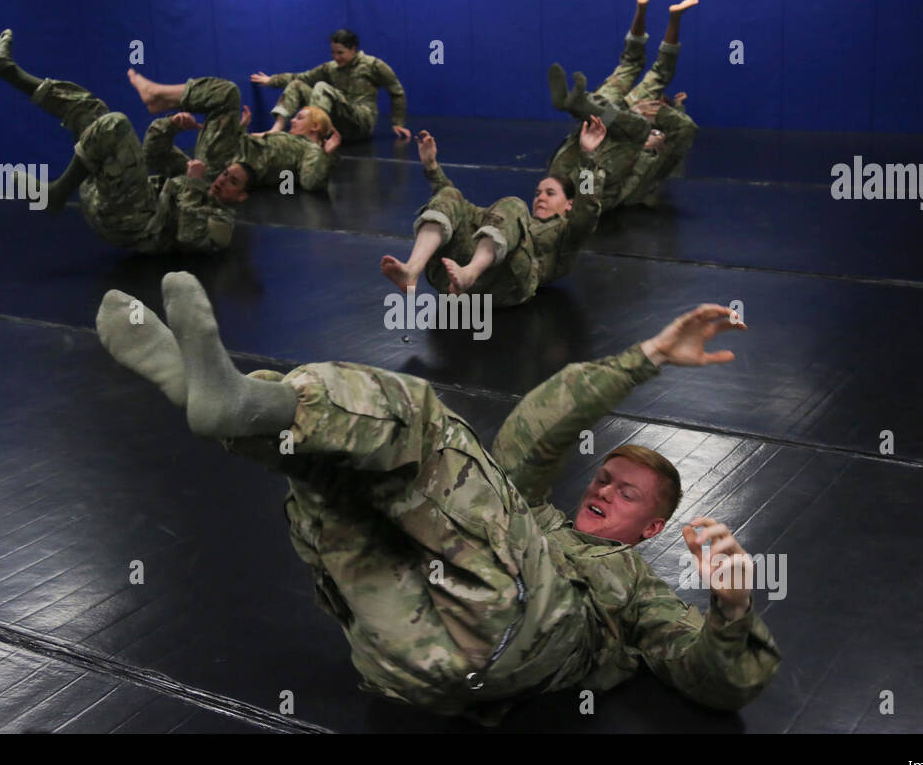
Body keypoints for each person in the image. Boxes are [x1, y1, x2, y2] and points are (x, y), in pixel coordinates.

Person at [94, 272, 782, 725]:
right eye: (602, 476)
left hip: (519, 630)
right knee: (336, 479)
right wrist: (649, 353)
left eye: (626, 491)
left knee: (421, 420)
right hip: (400, 658)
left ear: (651, 526)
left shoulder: (635, 584)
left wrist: (731, 608)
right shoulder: (532, 514)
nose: (602, 487)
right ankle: (231, 405)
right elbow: (541, 425)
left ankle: (245, 401)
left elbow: (716, 678)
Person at [0, 29, 237, 253]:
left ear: (243, 197)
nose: (223, 179)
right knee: (93, 111)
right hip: (112, 199)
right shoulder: (203, 177)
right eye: (226, 174)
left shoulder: (223, 223)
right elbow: (153, 153)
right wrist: (170, 126)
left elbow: (189, 236)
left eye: (233, 182)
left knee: (116, 124)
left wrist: (192, 184)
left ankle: (57, 192)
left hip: (136, 225)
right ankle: (9, 70)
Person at [379, 126, 604, 307]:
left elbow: (588, 207)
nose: (540, 198)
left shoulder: (569, 232)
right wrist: (431, 165)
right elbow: (460, 211)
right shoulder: (512, 221)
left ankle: (469, 273)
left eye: (550, 193)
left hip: (507, 284)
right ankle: (412, 270)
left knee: (514, 205)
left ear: (569, 205)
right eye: (537, 193)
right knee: (450, 195)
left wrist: (587, 157)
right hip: (449, 279)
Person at [547, 0, 700, 209]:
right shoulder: (593, 203)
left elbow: (580, 158)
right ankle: (666, 16)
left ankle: (579, 106)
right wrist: (654, 142)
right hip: (621, 131)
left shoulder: (563, 175)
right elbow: (673, 144)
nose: (539, 198)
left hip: (607, 125)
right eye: (547, 193)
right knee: (647, 75)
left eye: (544, 192)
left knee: (633, 69)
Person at [128, 69, 342, 194]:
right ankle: (160, 104)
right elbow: (258, 151)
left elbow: (309, 182)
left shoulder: (310, 149)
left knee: (228, 93)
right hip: (219, 162)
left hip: (225, 164)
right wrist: (240, 128)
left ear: (315, 127)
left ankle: (156, 95)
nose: (292, 120)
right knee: (155, 153)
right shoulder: (288, 140)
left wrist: (325, 152)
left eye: (300, 117)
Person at [251, 29, 411, 143]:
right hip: (338, 126)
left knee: (321, 86)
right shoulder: (330, 68)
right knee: (297, 85)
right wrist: (271, 80)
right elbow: (301, 77)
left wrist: (398, 123)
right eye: (333, 52)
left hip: (361, 123)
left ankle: (310, 136)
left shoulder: (373, 65)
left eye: (340, 53)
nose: (336, 57)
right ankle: (276, 129)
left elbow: (396, 91)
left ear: (353, 49)